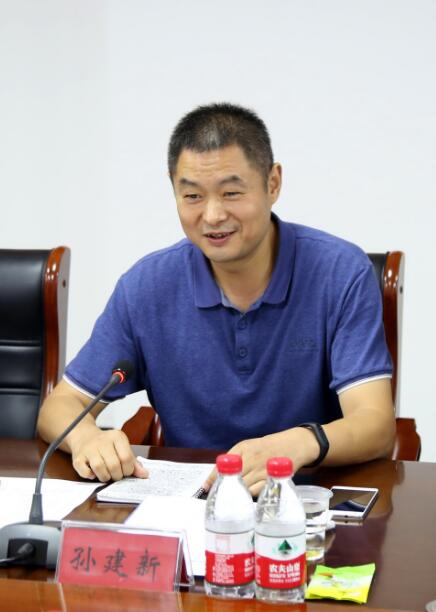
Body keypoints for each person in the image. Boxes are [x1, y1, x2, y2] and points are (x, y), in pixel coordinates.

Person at [37, 103, 396, 495]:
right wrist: (88, 438)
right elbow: (61, 406)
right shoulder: (146, 287)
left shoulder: (340, 272)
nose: (212, 215)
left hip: (308, 500)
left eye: (231, 193)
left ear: (273, 183)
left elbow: (375, 422)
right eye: (192, 195)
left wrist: (301, 443)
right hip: (190, 502)